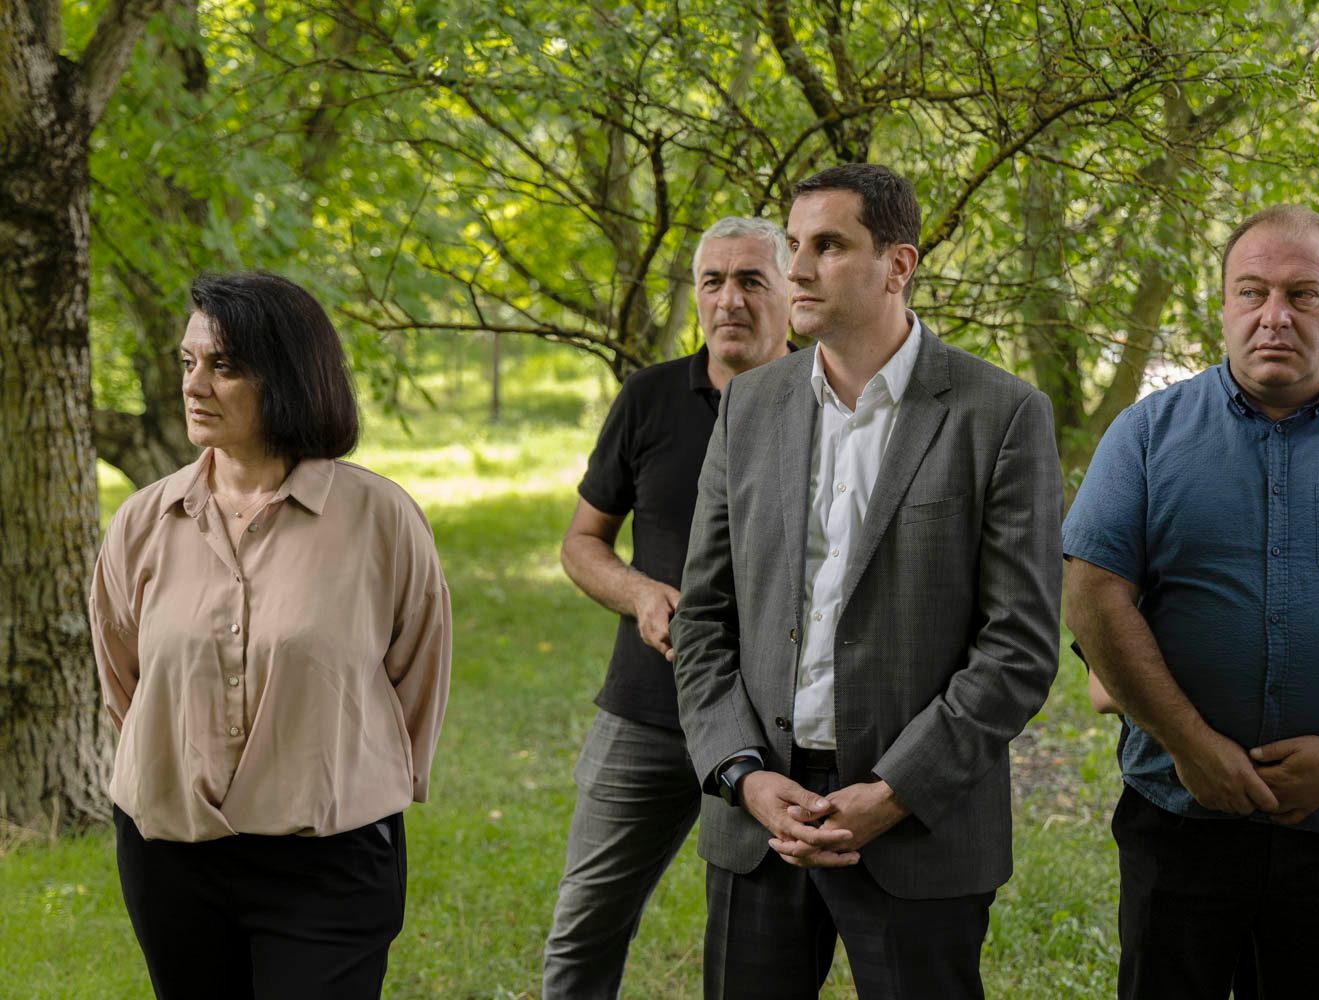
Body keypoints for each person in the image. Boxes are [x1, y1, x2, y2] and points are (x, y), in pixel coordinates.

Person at [1063, 204, 1319, 999]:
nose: (1273, 316)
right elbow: (1091, 598)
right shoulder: (1144, 436)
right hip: (1178, 815)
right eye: (1251, 291)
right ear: (1222, 303)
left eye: (1302, 294)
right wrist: (1190, 745)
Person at [671, 163, 1063, 998]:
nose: (797, 269)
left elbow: (1018, 648)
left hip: (919, 826)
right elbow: (702, 617)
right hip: (760, 822)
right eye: (793, 245)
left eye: (828, 246)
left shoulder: (999, 415)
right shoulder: (749, 407)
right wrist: (744, 776)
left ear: (897, 265)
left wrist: (892, 793)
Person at [90, 272, 452, 1000]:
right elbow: (125, 681)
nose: (195, 385)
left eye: (224, 365)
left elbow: (418, 674)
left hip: (329, 859)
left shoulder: (380, 519)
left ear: (288, 377)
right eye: (188, 362)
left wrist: (348, 780)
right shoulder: (142, 522)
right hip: (171, 858)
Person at [542, 216, 794, 998]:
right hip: (647, 710)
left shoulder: (825, 400)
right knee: (584, 931)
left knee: (755, 954)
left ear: (790, 292)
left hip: (774, 725)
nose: (729, 300)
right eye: (712, 281)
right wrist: (639, 592)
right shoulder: (649, 397)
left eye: (750, 280)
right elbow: (581, 541)